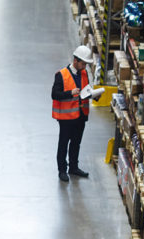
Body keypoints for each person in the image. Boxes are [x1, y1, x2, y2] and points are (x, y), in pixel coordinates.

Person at [52, 46, 95, 183]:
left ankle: (73, 167)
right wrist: (70, 93)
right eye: (83, 64)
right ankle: (62, 170)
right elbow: (55, 94)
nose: (84, 67)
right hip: (66, 118)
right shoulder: (61, 75)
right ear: (75, 60)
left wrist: (93, 95)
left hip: (80, 115)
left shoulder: (84, 73)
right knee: (64, 143)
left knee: (76, 143)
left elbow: (85, 91)